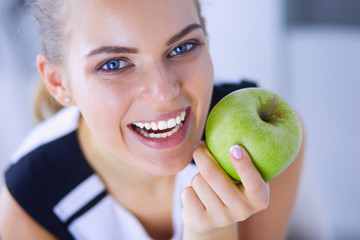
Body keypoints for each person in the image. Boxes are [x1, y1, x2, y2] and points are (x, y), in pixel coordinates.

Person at [0, 0, 304, 239]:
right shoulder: (29, 206)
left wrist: (212, 233)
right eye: (114, 64)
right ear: (58, 83)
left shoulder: (265, 139)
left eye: (183, 47)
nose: (163, 92)